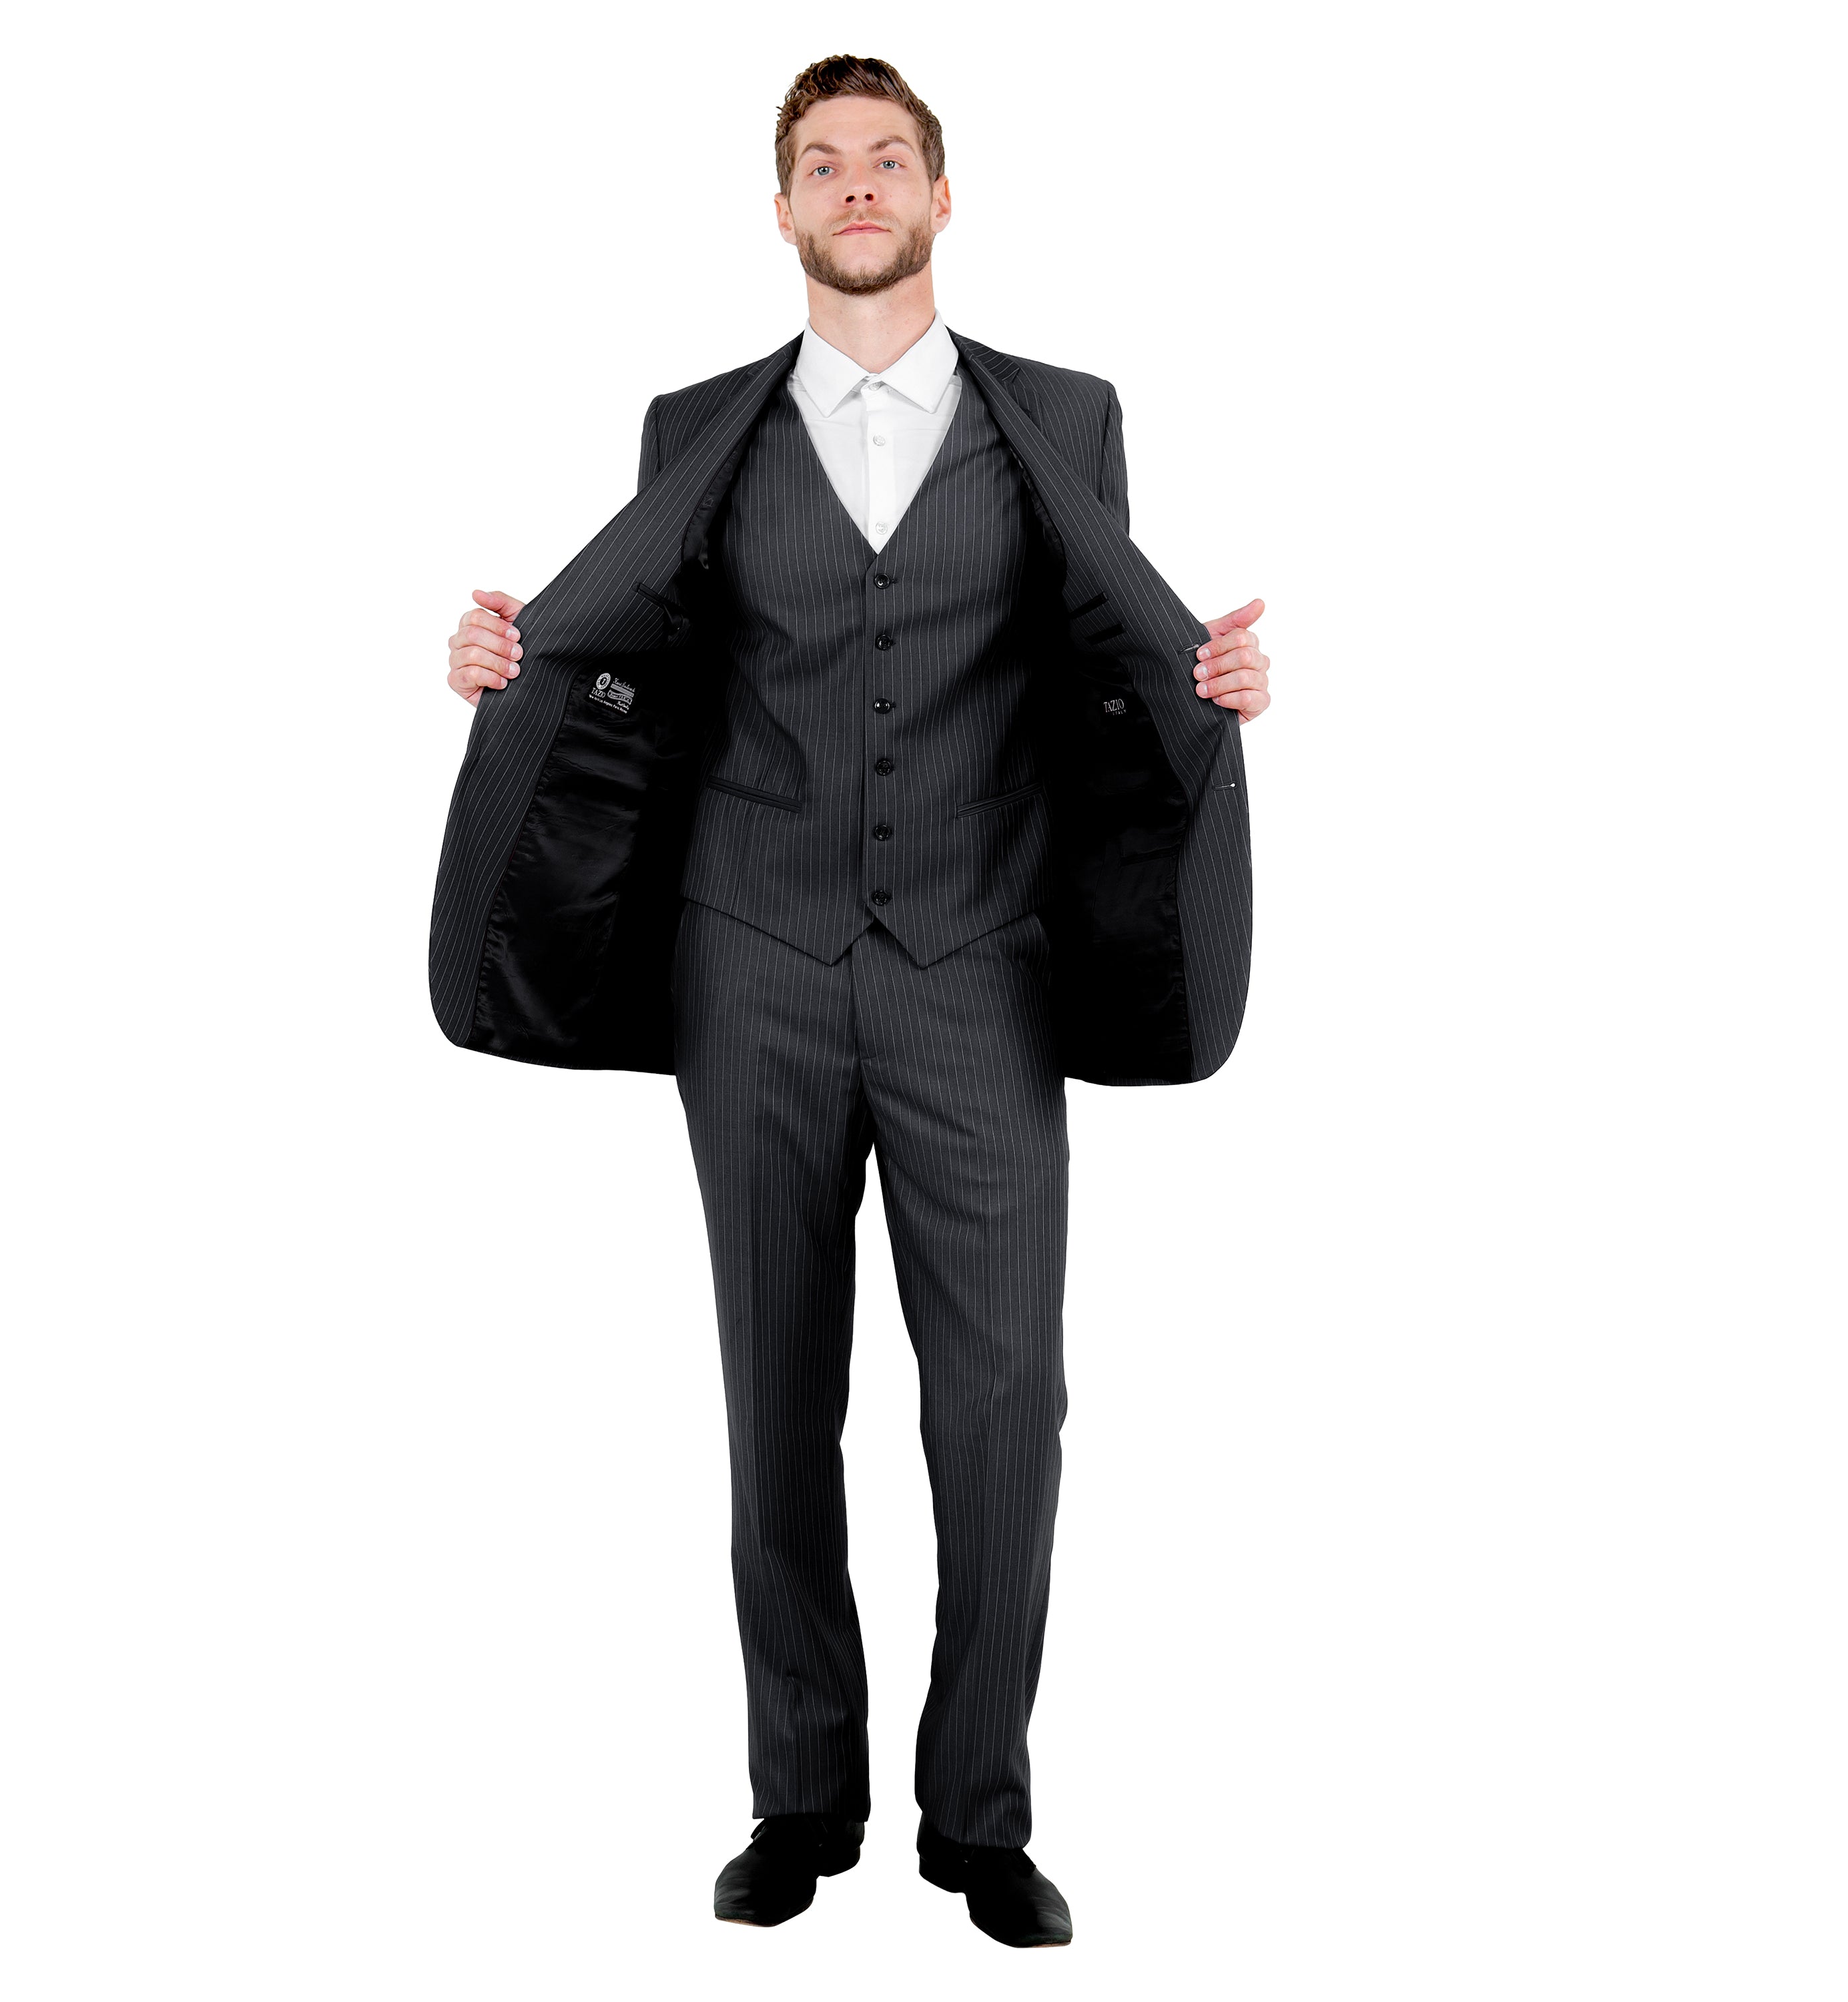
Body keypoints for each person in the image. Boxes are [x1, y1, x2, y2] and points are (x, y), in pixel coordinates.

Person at [433, 55, 1273, 1949]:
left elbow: (1103, 665)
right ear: (785, 210)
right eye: (823, 164)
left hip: (983, 972)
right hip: (753, 969)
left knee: (1005, 1409)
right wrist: (509, 661)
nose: (859, 185)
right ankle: (799, 1798)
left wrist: (1206, 695)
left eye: (889, 157)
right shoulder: (695, 428)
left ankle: (980, 1819)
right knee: (776, 1395)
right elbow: (628, 653)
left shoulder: (1065, 417)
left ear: (943, 196)